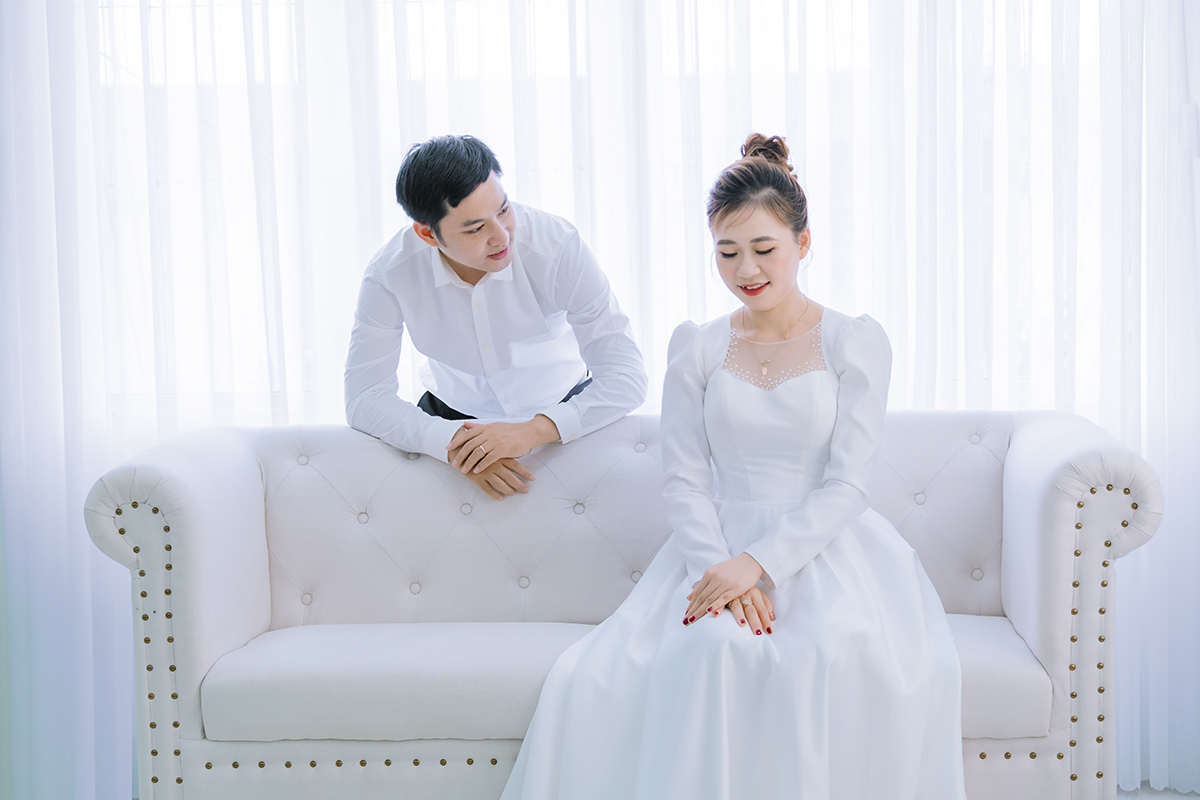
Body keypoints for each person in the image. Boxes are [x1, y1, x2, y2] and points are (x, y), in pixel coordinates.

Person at [499, 134, 968, 799]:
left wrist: (759, 563)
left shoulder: (853, 341)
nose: (746, 268)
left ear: (803, 243)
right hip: (711, 551)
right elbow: (684, 480)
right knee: (709, 650)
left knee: (825, 654)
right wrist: (719, 568)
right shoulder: (697, 347)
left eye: (764, 249)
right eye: (727, 252)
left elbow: (848, 485)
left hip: (830, 553)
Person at [344, 135, 648, 499]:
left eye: (504, 210)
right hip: (451, 421)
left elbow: (626, 377)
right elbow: (364, 397)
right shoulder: (390, 274)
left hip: (566, 411)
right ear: (428, 233)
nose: (502, 237)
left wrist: (531, 432)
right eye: (476, 228)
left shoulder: (557, 246)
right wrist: (456, 446)